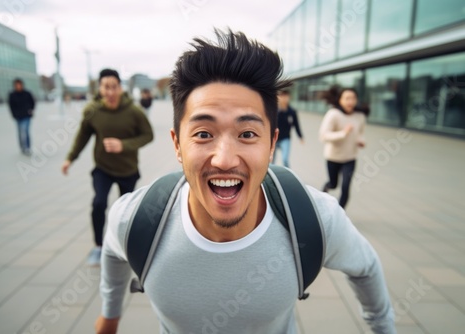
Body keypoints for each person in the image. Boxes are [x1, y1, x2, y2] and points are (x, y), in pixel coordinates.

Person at [95, 30, 395, 334]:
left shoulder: (317, 219)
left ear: (271, 144)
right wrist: (109, 316)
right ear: (177, 145)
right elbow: (111, 251)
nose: (224, 160)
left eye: (247, 134)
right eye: (203, 134)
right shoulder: (136, 219)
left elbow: (366, 268)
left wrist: (384, 328)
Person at [62, 68, 153, 266]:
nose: (110, 92)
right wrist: (70, 158)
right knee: (98, 203)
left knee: (126, 212)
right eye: (106, 87)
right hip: (102, 168)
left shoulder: (134, 111)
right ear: (100, 89)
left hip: (128, 169)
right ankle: (98, 246)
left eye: (114, 87)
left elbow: (148, 135)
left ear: (120, 88)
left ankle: (126, 246)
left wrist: (124, 145)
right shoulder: (92, 111)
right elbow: (83, 136)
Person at [319, 86, 368, 208]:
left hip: (350, 157)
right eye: (347, 98)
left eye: (353, 98)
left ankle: (340, 213)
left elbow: (360, 133)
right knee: (333, 184)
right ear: (340, 100)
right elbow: (323, 136)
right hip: (333, 157)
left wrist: (361, 141)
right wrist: (343, 133)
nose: (350, 101)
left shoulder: (360, 116)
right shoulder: (333, 114)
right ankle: (323, 193)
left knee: (346, 186)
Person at [272, 89, 304, 167]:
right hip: (274, 139)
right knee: (272, 160)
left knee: (285, 159)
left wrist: (300, 136)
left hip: (285, 138)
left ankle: (287, 175)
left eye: (286, 96)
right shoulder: (274, 111)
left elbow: (296, 125)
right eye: (282, 96)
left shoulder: (292, 112)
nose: (284, 98)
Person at [8, 78, 36, 155]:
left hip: (26, 116)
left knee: (25, 131)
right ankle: (22, 147)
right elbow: (11, 106)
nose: (18, 86)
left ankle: (27, 147)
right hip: (18, 117)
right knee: (20, 132)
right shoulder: (12, 95)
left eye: (20, 85)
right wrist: (14, 115)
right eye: (17, 85)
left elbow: (33, 102)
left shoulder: (27, 93)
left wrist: (31, 110)